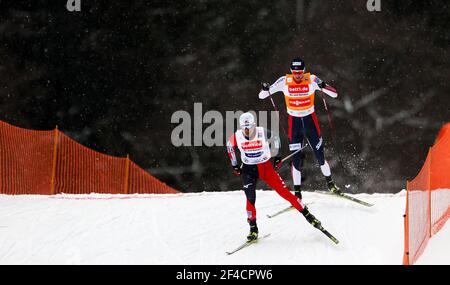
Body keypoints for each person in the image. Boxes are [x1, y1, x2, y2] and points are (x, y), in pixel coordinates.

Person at [226, 112, 322, 241]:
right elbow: (229, 147)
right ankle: (253, 229)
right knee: (250, 198)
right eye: (245, 128)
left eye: (250, 127)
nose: (247, 131)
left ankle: (309, 216)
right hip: (249, 169)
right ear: (241, 127)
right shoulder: (237, 136)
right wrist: (235, 165)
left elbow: (275, 138)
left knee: (284, 192)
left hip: (265, 167)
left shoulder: (261, 132)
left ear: (254, 125)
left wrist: (277, 156)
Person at [258, 57, 340, 199]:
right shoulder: (284, 81)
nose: (298, 75)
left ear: (304, 71)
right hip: (294, 124)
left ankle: (331, 184)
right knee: (296, 159)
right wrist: (265, 89)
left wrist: (323, 85)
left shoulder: (312, 79)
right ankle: (297, 193)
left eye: (300, 72)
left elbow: (334, 93)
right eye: (295, 73)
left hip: (310, 122)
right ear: (291, 71)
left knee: (319, 155)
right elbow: (262, 96)